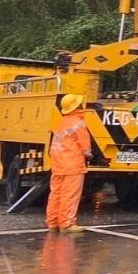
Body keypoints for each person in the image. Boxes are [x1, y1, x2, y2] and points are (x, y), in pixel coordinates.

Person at [46, 94, 92, 233]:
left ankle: (53, 222)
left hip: (58, 163)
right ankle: (66, 224)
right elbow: (85, 146)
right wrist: (88, 155)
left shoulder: (62, 122)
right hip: (72, 163)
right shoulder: (78, 122)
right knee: (70, 194)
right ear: (77, 106)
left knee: (56, 193)